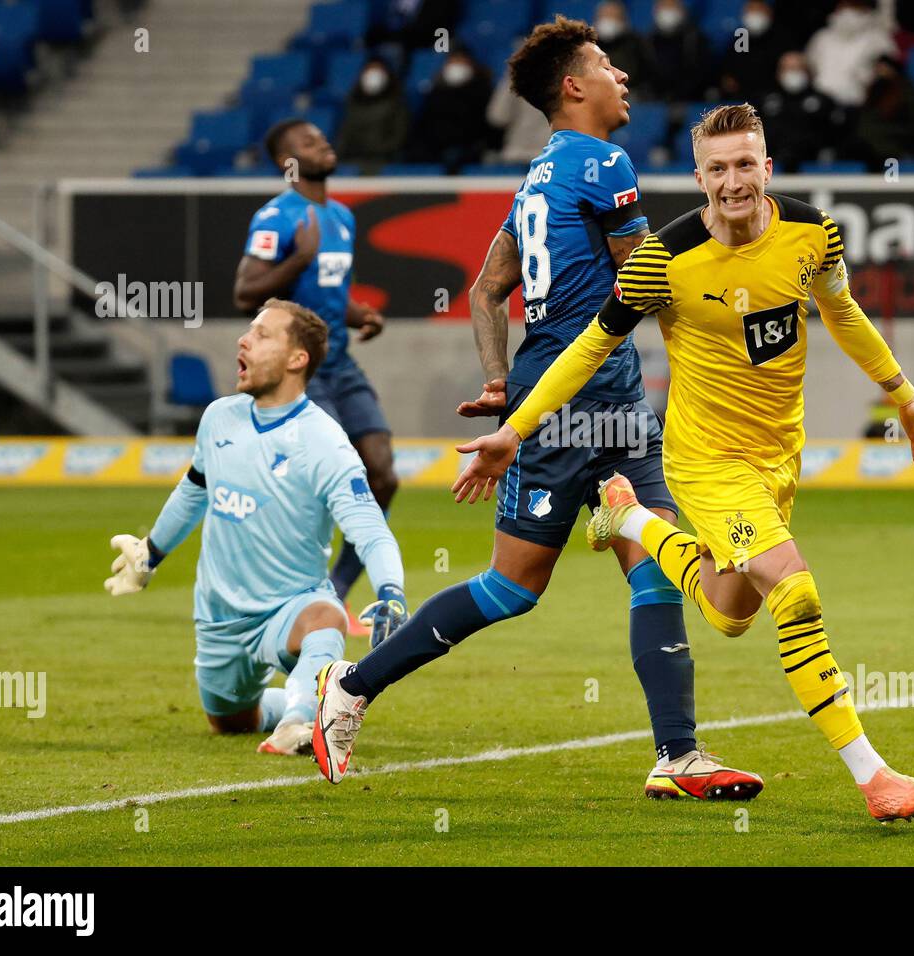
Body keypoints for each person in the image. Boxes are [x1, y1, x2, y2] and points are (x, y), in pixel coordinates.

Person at [447, 104, 914, 824]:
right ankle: (874, 777)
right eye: (717, 168)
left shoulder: (815, 232)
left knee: (730, 608)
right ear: (699, 177)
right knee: (795, 590)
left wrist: (904, 397)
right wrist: (518, 428)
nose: (733, 181)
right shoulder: (665, 258)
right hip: (705, 458)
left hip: (778, 455)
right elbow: (591, 346)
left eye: (745, 164)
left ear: (767, 168)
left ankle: (628, 517)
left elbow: (841, 310)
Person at [312, 17, 762, 802]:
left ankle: (677, 754)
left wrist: (498, 380)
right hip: (568, 400)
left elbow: (488, 291)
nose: (623, 77)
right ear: (573, 87)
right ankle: (351, 685)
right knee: (514, 587)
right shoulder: (606, 161)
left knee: (657, 564)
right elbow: (645, 277)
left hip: (602, 396)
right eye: (606, 65)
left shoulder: (535, 180)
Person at [103, 300, 405, 757]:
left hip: (289, 607)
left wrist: (390, 591)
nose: (243, 340)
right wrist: (151, 553)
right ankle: (325, 698)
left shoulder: (324, 442)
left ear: (296, 359)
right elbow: (193, 492)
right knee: (228, 721)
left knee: (326, 617)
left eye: (262, 335)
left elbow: (370, 529)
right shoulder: (219, 417)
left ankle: (300, 722)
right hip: (218, 618)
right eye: (249, 331)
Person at [233, 118, 401, 637]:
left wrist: (360, 315)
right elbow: (245, 292)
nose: (322, 144)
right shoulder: (276, 218)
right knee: (324, 480)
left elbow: (327, 294)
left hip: (341, 363)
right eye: (307, 142)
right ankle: (288, 595)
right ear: (287, 161)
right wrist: (297, 257)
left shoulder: (342, 217)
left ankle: (337, 590)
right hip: (298, 371)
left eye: (322, 138)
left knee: (383, 474)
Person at [407, 48, 493, 172]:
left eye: (461, 62)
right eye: (453, 62)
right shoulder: (435, 92)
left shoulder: (482, 92)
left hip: (466, 147)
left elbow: (485, 127)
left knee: (452, 157)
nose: (456, 67)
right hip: (435, 146)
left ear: (471, 66)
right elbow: (424, 124)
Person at [761, 50, 846, 170]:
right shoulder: (765, 101)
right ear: (778, 73)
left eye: (797, 68)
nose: (792, 73)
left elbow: (834, 136)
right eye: (788, 68)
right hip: (774, 163)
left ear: (808, 72)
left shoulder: (824, 101)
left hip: (814, 163)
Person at [804, 0, 896, 108]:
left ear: (865, 8)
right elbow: (809, 67)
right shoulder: (822, 37)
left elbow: (888, 70)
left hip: (859, 105)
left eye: (854, 6)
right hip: (820, 102)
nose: (848, 11)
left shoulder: (877, 37)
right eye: (844, 5)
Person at [845, 53, 914, 171]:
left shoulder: (906, 91)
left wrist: (890, 134)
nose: (879, 71)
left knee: (889, 171)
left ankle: (891, 184)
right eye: (877, 67)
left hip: (896, 144)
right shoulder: (874, 90)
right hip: (871, 145)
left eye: (883, 67)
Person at [335, 57, 410, 173]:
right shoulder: (353, 103)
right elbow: (344, 136)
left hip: (381, 161)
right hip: (351, 161)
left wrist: (374, 149)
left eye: (378, 70)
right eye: (369, 70)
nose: (373, 75)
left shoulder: (397, 105)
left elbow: (398, 139)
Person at [645, 0, 709, 103]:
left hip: (690, 99)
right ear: (655, 11)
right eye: (664, 6)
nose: (668, 11)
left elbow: (701, 73)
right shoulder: (648, 41)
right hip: (655, 99)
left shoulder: (695, 40)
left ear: (682, 11)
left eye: (672, 6)